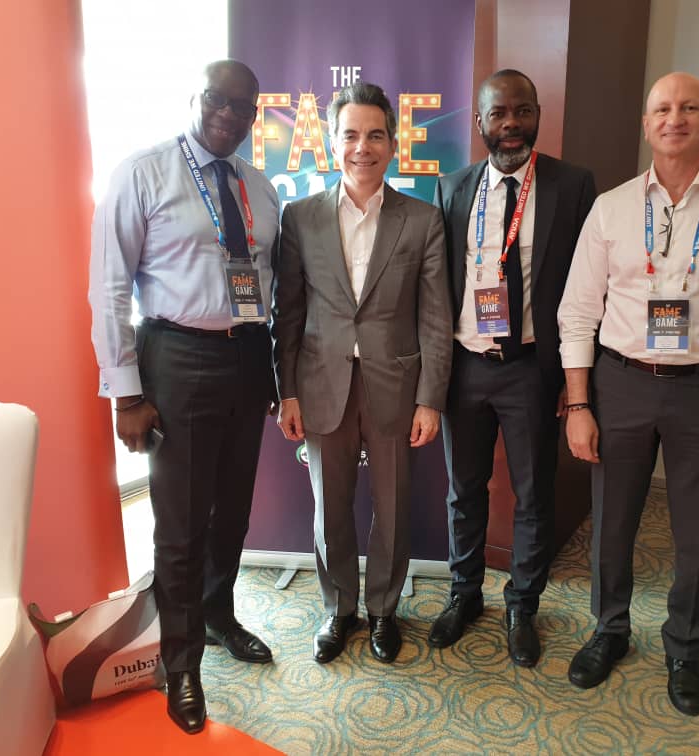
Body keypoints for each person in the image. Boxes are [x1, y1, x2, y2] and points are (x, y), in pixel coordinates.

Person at [558, 72, 699, 716]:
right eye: (662, 108)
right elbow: (578, 312)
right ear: (646, 123)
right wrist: (579, 403)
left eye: (689, 108)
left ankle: (685, 647)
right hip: (620, 382)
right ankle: (609, 629)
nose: (674, 118)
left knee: (698, 530)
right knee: (612, 521)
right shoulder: (612, 207)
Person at [88, 60, 279, 734]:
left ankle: (220, 615)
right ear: (194, 98)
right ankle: (181, 663)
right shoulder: (143, 173)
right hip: (177, 356)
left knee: (232, 514)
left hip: (247, 356)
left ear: (255, 114)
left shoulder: (259, 186)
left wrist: (273, 373)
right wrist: (125, 395)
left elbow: (270, 281)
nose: (228, 114)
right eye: (217, 100)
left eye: (243, 106)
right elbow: (109, 289)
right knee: (181, 524)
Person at [272, 81, 452, 666]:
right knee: (330, 508)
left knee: (392, 508)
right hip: (320, 384)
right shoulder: (300, 218)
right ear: (332, 141)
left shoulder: (422, 220)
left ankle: (383, 610)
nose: (362, 147)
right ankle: (339, 608)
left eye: (375, 135)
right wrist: (287, 392)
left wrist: (430, 399)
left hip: (395, 387)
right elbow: (288, 313)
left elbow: (434, 318)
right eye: (350, 134)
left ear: (392, 144)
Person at [429, 69, 596, 668]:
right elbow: (438, 285)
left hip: (530, 368)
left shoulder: (572, 186)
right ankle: (464, 593)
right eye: (498, 114)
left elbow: (588, 288)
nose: (511, 125)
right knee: (463, 490)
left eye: (522, 111)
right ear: (480, 122)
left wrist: (577, 380)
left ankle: (523, 605)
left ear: (538, 115)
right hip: (466, 366)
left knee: (533, 494)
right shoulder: (452, 188)